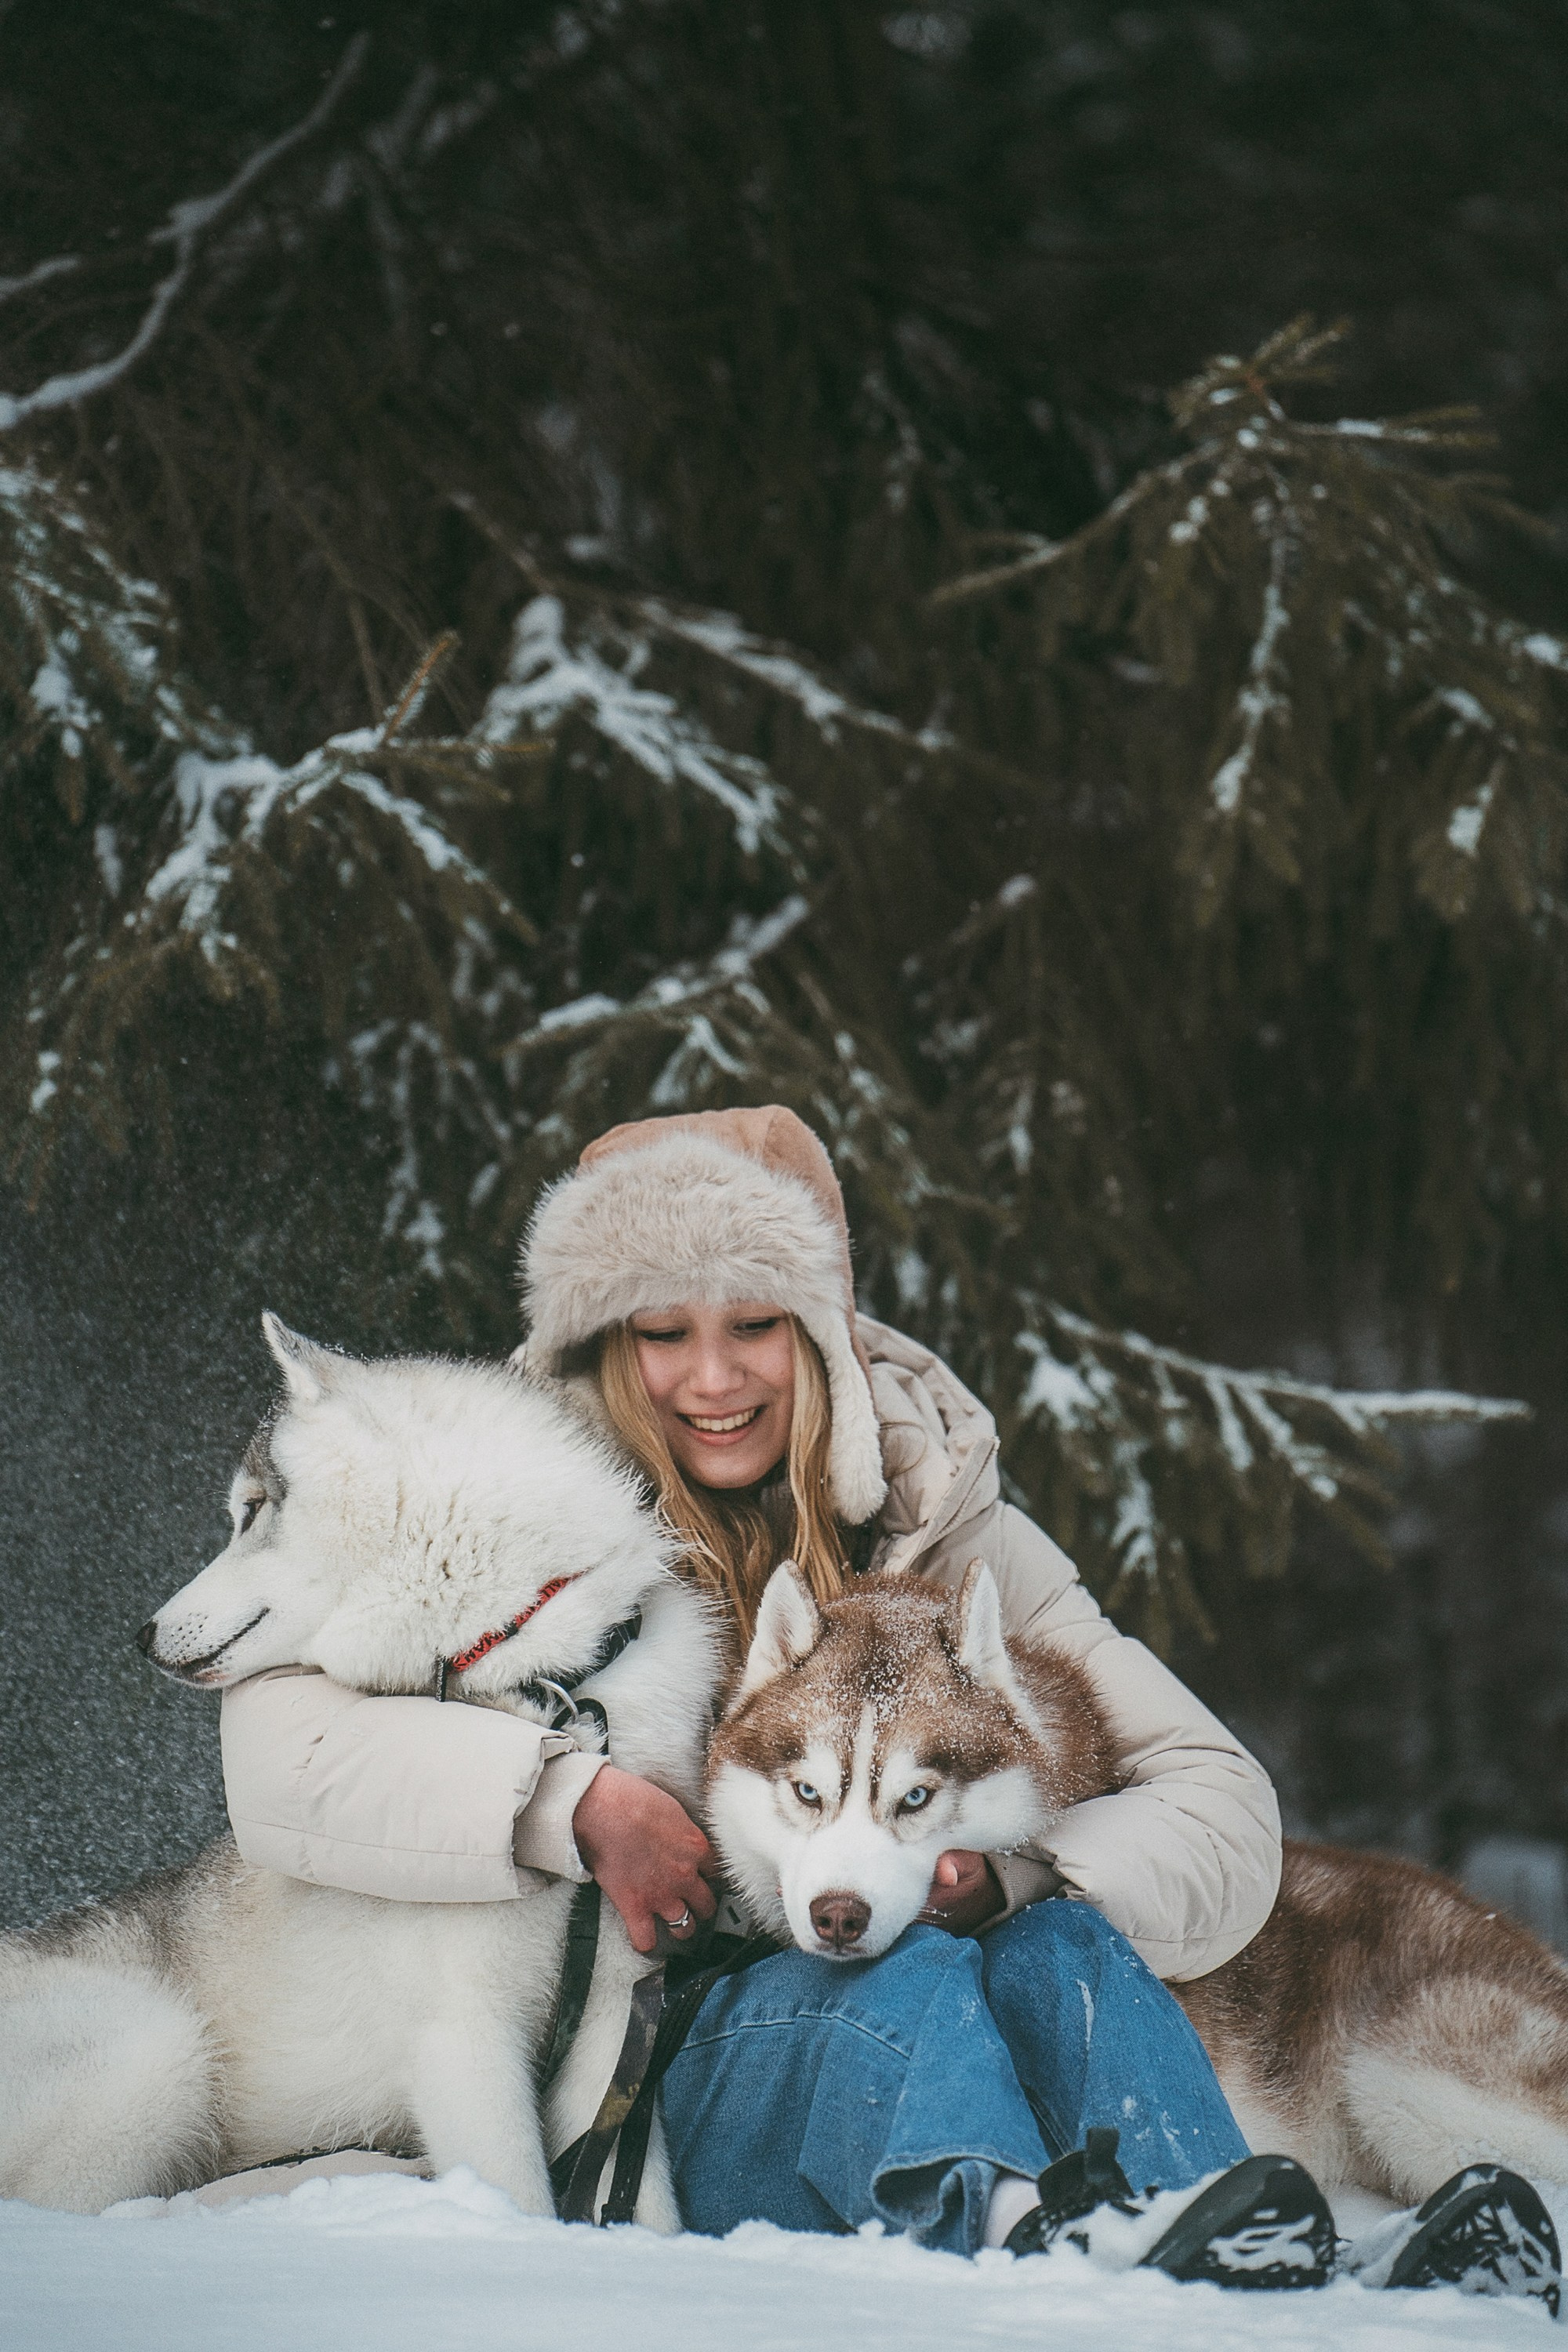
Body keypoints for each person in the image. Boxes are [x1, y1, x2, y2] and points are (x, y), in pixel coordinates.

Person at [219, 1105, 1560, 2305]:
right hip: (657, 2070)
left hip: (913, 2018)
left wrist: (1021, 1871)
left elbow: (1219, 1801)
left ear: (820, 1332)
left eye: (755, 1324)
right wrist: (569, 1803)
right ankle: (1056, 2248)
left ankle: (1229, 2260)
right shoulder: (498, 1521)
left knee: (1059, 1950)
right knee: (910, 1973)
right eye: (664, 1331)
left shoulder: (952, 1533)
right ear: (606, 1344)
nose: (714, 1377)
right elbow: (279, 1754)